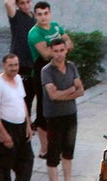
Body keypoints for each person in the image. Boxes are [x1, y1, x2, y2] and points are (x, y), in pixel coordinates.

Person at [0, 53, 36, 181]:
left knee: (27, 159)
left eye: (16, 65)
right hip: (6, 126)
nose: (14, 68)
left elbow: (22, 101)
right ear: (4, 65)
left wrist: (28, 124)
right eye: (11, 65)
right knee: (5, 165)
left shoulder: (18, 79)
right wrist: (2, 133)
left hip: (21, 126)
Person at [41, 38, 84, 181]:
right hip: (54, 117)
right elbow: (53, 95)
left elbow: (81, 90)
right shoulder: (47, 71)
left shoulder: (71, 66)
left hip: (71, 115)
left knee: (68, 152)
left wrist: (64, 93)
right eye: (56, 51)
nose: (59, 54)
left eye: (62, 50)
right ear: (51, 52)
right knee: (53, 155)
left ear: (66, 50)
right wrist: (71, 90)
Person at [28, 1, 73, 158]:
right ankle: (44, 149)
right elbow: (46, 54)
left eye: (46, 13)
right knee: (43, 110)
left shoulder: (56, 26)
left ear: (50, 13)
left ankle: (56, 144)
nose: (43, 17)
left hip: (58, 72)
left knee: (58, 108)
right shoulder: (34, 33)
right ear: (35, 15)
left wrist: (56, 49)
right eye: (40, 14)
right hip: (41, 73)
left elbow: (70, 43)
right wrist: (61, 48)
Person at [4, 0, 37, 116]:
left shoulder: (35, 17)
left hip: (33, 63)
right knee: (21, 97)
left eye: (28, 2)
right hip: (20, 64)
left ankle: (29, 121)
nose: (26, 5)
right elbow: (8, 3)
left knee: (31, 95)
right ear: (17, 4)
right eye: (22, 3)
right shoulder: (16, 16)